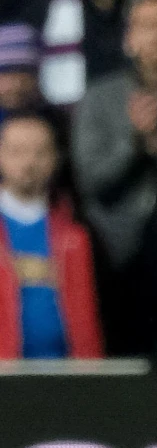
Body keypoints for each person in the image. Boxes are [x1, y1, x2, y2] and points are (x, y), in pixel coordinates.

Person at [71, 0, 157, 357]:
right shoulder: (99, 99)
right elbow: (91, 182)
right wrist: (134, 146)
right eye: (146, 27)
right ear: (128, 38)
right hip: (120, 255)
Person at [0, 114, 101, 359]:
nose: (29, 162)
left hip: (67, 376)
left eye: (40, 152)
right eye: (17, 151)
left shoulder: (77, 230)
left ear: (56, 158)